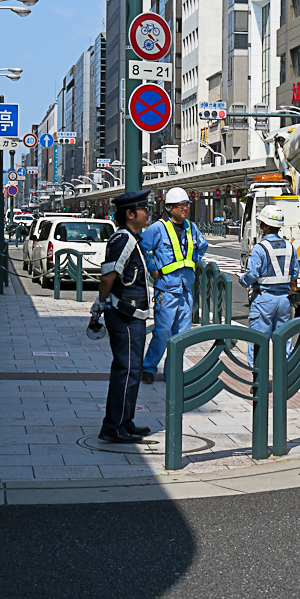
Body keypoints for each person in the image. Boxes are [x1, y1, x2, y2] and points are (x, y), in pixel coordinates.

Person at [93, 190, 152, 443]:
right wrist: (101, 303)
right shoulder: (123, 239)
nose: (147, 212)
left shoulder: (132, 238)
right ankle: (113, 426)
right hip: (124, 314)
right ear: (130, 214)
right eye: (144, 208)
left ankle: (125, 421)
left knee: (132, 369)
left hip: (133, 313)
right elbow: (108, 276)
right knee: (126, 369)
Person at [140, 186, 208, 384]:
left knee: (182, 335)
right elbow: (142, 247)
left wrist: (193, 260)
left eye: (186, 204)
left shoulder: (191, 227)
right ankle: (149, 368)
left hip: (186, 289)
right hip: (167, 289)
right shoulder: (158, 228)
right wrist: (153, 268)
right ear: (169, 207)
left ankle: (173, 371)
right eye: (180, 205)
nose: (184, 208)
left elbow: (202, 245)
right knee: (162, 332)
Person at [239, 206, 299, 366]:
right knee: (284, 341)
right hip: (284, 301)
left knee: (258, 341)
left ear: (264, 226)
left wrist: (242, 280)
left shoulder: (260, 248)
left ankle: (259, 380)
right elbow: (294, 274)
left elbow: (252, 275)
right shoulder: (290, 247)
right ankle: (287, 377)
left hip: (264, 299)